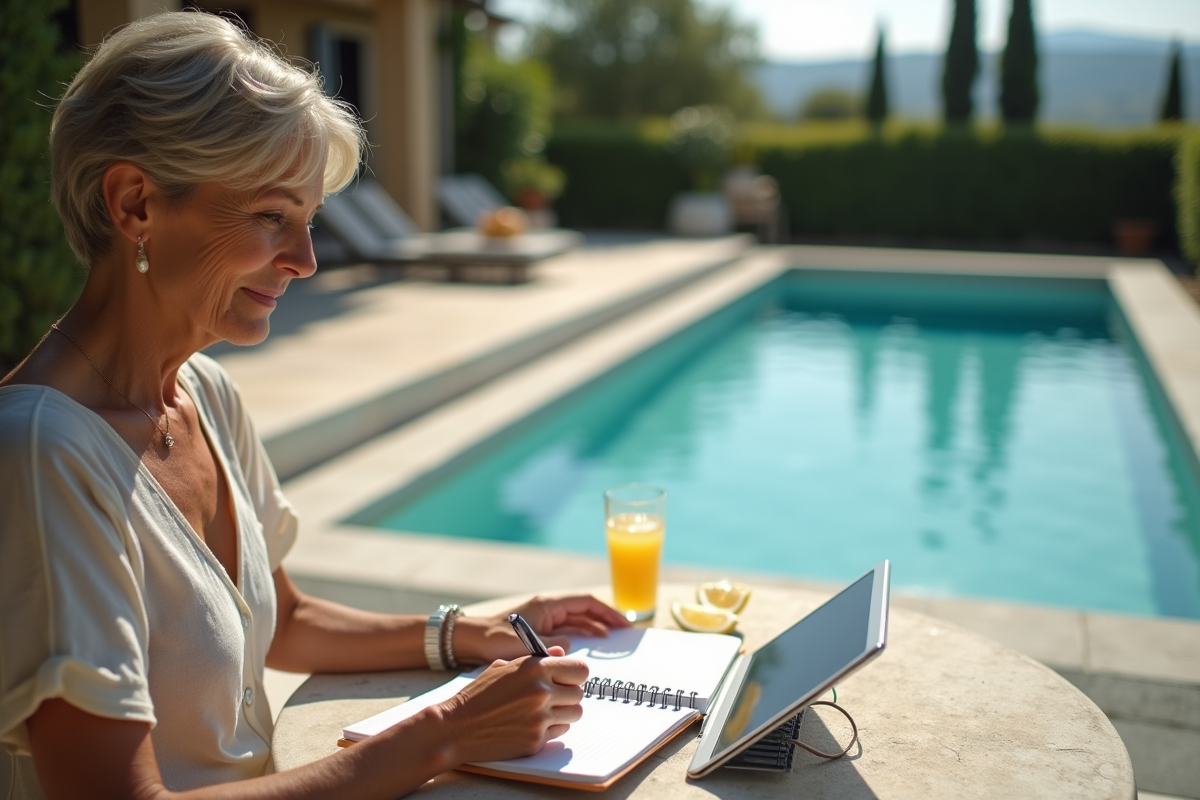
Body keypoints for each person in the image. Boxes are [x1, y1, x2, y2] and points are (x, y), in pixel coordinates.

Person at [0, 12, 628, 799]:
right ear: (134, 205)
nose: (304, 260)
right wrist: (445, 734)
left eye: (307, 221)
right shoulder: (38, 456)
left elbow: (284, 619)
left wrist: (469, 631)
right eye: (270, 217)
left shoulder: (202, 395)